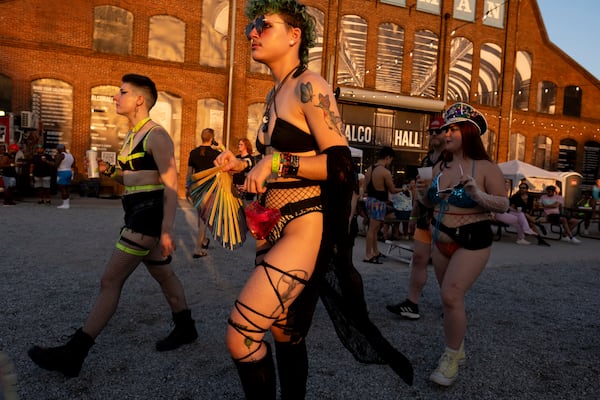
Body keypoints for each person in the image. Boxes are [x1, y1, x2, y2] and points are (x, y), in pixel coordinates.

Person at [215, 2, 412, 397]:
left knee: (241, 336)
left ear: (294, 35)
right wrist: (246, 164)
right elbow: (284, 161)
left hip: (304, 227)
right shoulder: (275, 92)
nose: (251, 32)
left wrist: (274, 161)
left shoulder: (310, 87)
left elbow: (341, 166)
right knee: (285, 331)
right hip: (271, 227)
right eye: (251, 25)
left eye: (262, 25)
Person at [28, 73, 198, 378]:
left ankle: (75, 352)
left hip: (147, 216)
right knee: (163, 273)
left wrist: (168, 228)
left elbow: (171, 184)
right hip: (134, 211)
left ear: (139, 99)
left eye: (122, 93)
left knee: (110, 280)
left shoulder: (157, 135)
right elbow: (131, 178)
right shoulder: (133, 136)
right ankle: (186, 328)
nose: (115, 97)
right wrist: (109, 172)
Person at [416, 102, 509, 386]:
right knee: (449, 300)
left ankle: (450, 357)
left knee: (451, 296)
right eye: (445, 129)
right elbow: (429, 202)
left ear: (467, 133)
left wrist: (477, 194)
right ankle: (458, 346)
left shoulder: (484, 167)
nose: (446, 134)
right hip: (440, 239)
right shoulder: (439, 167)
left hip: (472, 242)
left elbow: (503, 204)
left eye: (452, 129)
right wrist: (422, 194)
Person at [386, 117, 446, 320]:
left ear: (447, 133)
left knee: (441, 263)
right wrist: (413, 213)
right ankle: (412, 303)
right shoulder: (427, 159)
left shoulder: (453, 159)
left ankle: (451, 303)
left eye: (438, 131)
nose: (434, 135)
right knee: (419, 258)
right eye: (431, 132)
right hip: (424, 216)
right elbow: (421, 191)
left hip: (444, 218)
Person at [186, 128, 221, 258]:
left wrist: (186, 187)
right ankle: (197, 249)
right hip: (209, 188)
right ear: (212, 138)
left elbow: (189, 172)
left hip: (195, 187)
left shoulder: (193, 152)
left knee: (200, 215)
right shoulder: (215, 154)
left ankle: (204, 240)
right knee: (203, 218)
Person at [363, 146, 400, 263]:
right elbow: (392, 190)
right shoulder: (385, 172)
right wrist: (404, 189)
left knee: (373, 228)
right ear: (388, 157)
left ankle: (375, 252)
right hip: (379, 202)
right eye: (391, 160)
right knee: (373, 230)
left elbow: (364, 187)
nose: (390, 163)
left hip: (369, 200)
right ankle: (368, 255)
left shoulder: (370, 168)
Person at [233, 138, 256, 205]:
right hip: (235, 188)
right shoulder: (236, 157)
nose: (239, 146)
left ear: (246, 146)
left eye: (241, 144)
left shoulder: (251, 159)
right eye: (239, 144)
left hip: (245, 189)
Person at [54, 143, 76, 209]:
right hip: (69, 171)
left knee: (62, 188)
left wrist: (47, 161)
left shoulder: (61, 155)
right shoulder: (71, 155)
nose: (57, 150)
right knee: (66, 188)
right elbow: (73, 165)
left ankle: (65, 204)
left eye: (57, 149)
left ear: (59, 149)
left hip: (62, 172)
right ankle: (66, 204)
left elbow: (55, 165)